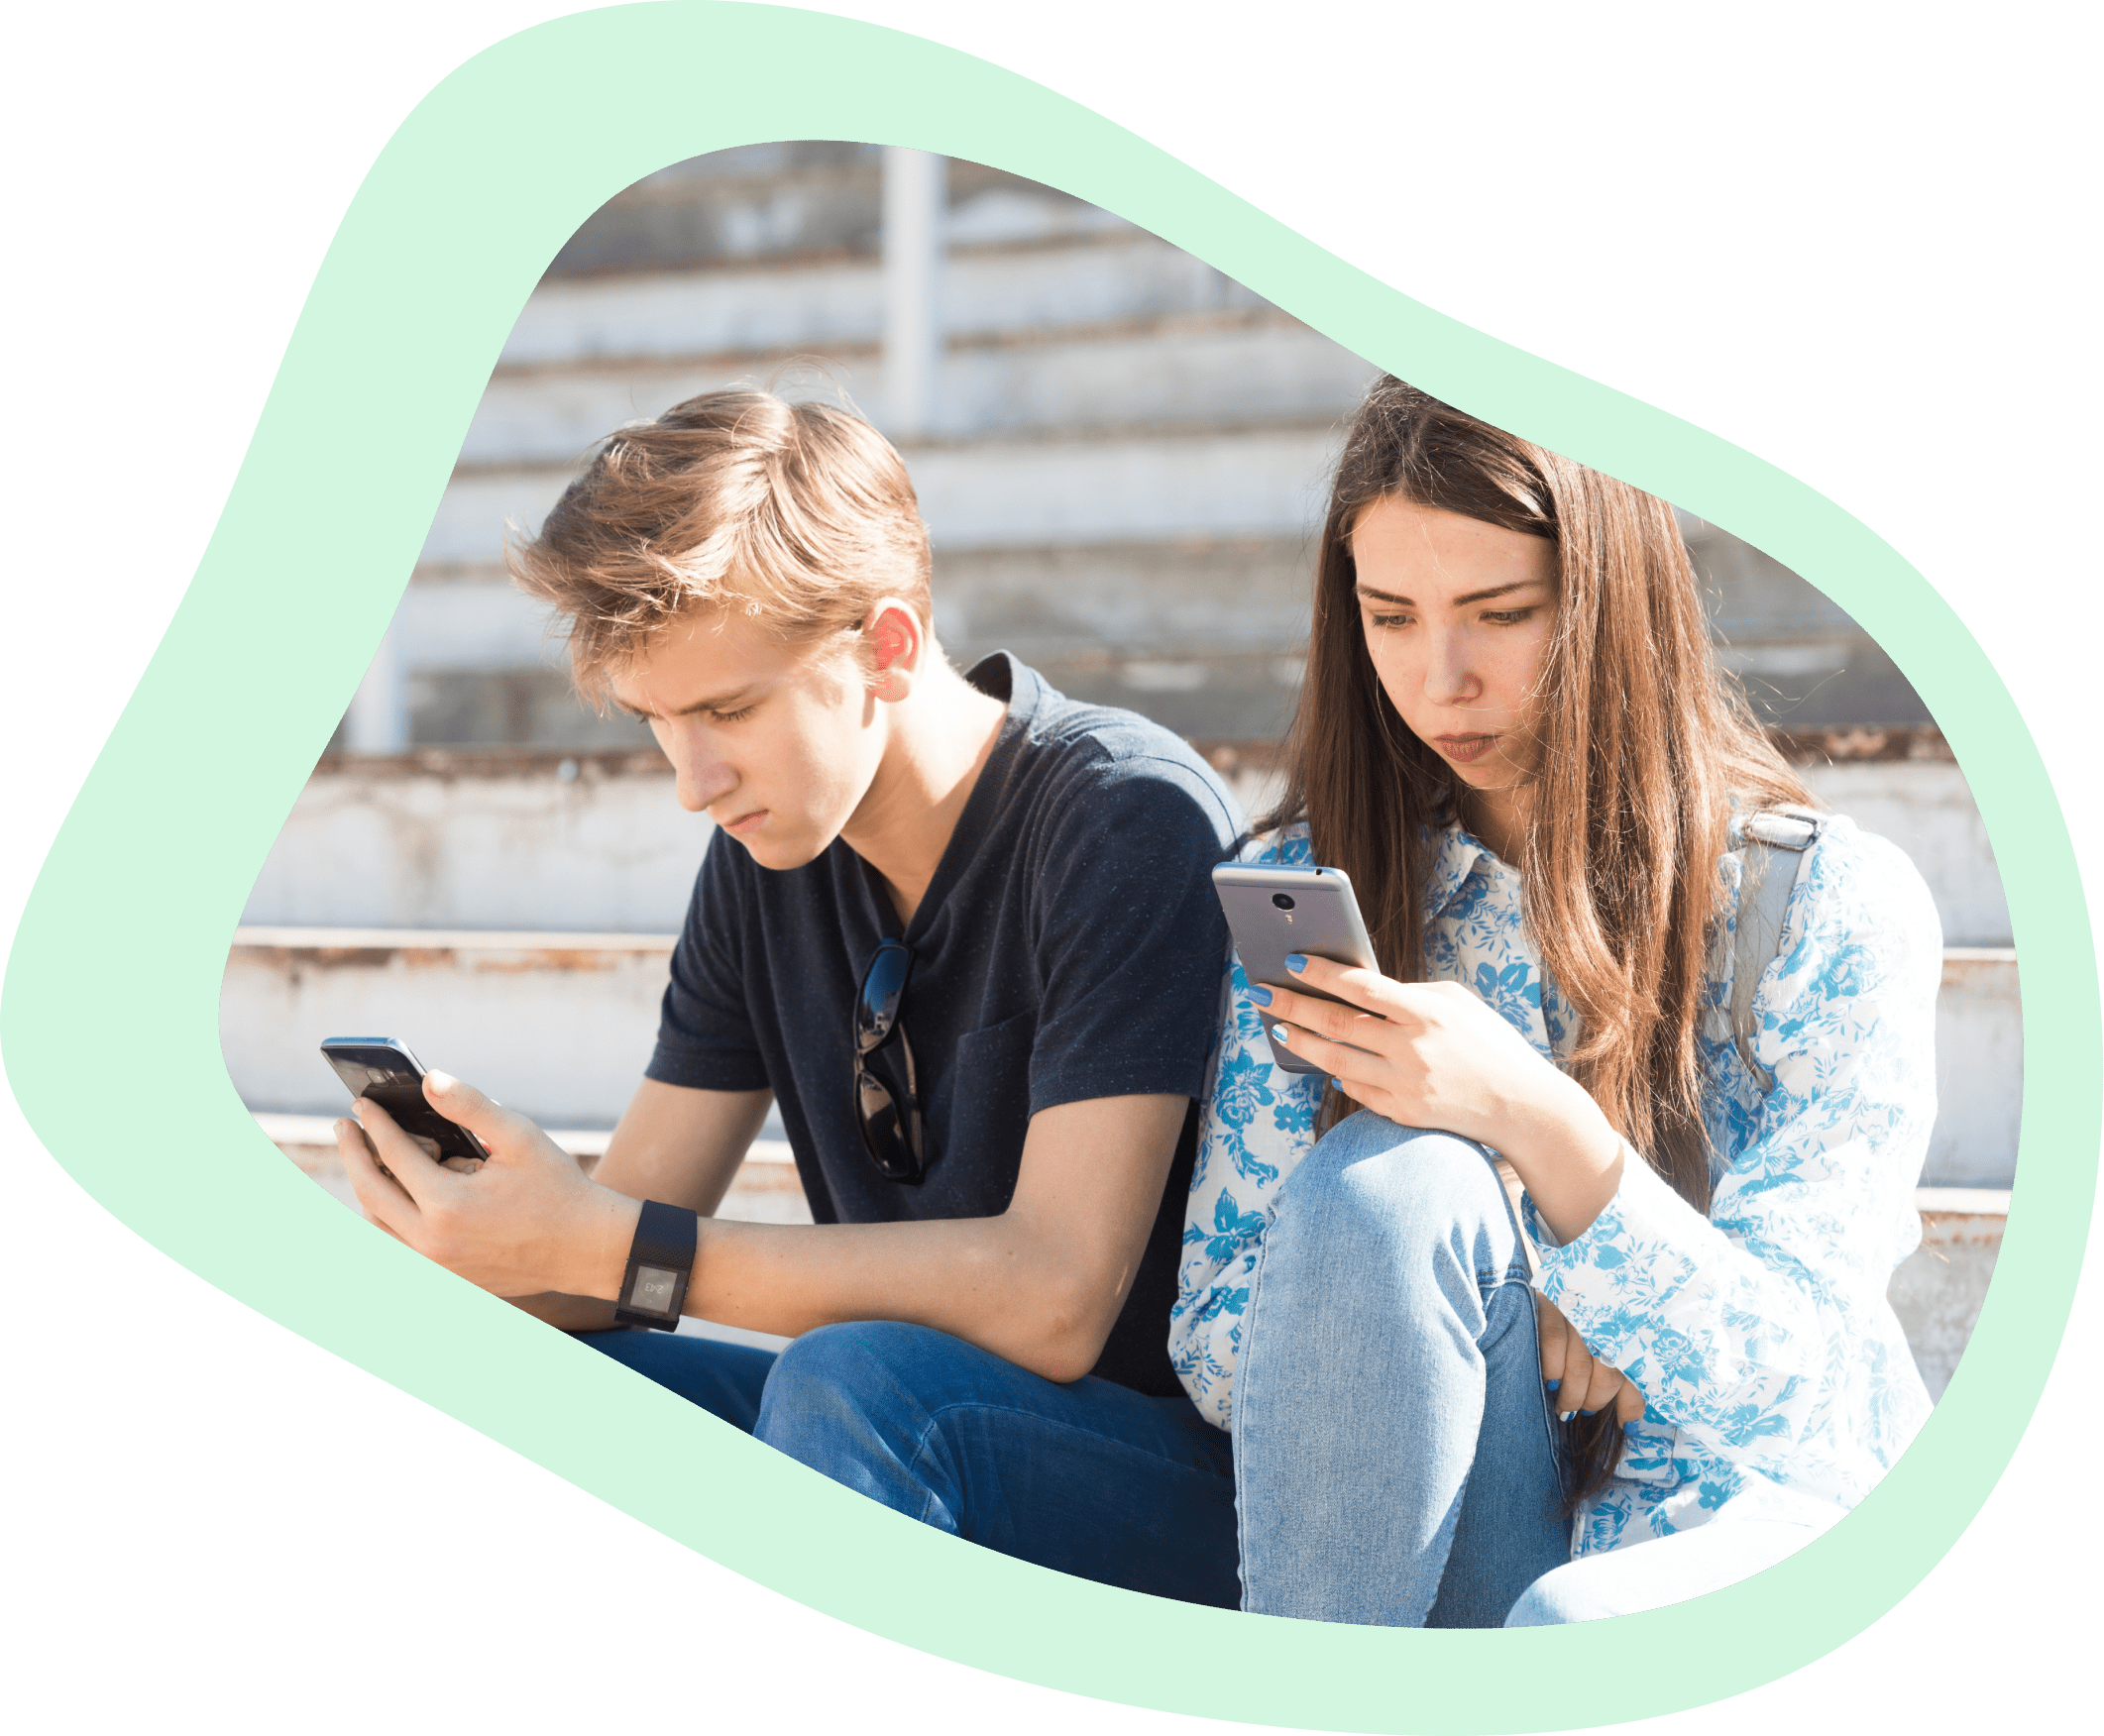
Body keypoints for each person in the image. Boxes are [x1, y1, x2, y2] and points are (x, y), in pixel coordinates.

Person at [332, 388, 1246, 1606]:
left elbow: (1054, 1300)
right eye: (660, 723)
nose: (692, 782)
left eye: (726, 711)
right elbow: (619, 1254)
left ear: (885, 644)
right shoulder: (766, 856)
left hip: (1166, 1489)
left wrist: (609, 1243)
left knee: (850, 1379)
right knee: (503, 1373)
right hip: (892, 1431)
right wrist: (455, 1256)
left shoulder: (1121, 816)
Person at [1172, 379, 1941, 1626]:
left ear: (1607, 601)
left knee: (1568, 1630)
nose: (1440, 679)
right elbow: (1217, 1335)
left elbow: (1803, 1386)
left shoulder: (1824, 908)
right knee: (1395, 1182)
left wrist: (1549, 1136)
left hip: (1744, 1531)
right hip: (1469, 1528)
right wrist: (1519, 1292)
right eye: (1387, 616)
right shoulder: (1323, 887)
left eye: (1501, 612)